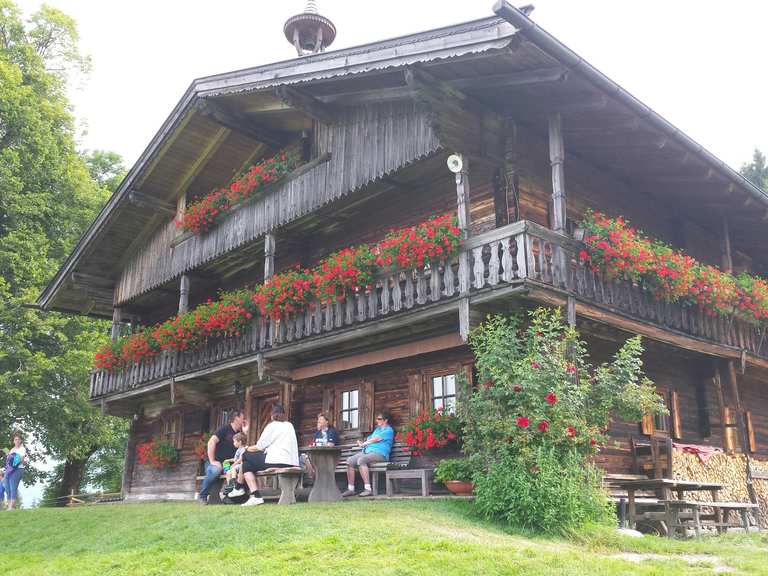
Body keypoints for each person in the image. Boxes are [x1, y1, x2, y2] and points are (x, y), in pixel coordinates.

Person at [234, 404, 299, 507]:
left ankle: (240, 488)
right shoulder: (289, 425)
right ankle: (252, 494)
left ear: (272, 415)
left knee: (245, 455)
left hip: (276, 461)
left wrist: (246, 448)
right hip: (291, 462)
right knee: (247, 465)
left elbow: (260, 446)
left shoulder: (272, 425)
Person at [198, 409, 246, 505]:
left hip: (227, 464)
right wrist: (212, 460)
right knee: (216, 470)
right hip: (215, 462)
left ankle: (230, 498)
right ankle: (202, 496)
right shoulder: (224, 429)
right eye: (242, 418)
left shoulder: (239, 434)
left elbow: (243, 448)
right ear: (236, 418)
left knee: (238, 471)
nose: (244, 420)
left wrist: (245, 432)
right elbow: (211, 442)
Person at [343, 411, 394, 497]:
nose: (377, 421)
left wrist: (364, 443)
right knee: (349, 461)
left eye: (379, 419)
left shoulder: (389, 430)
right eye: (377, 419)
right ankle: (351, 489)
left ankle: (368, 489)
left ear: (385, 421)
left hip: (380, 454)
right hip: (367, 452)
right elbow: (369, 439)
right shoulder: (377, 430)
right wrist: (361, 443)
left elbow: (376, 439)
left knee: (361, 460)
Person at [302, 412, 340, 479]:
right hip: (318, 456)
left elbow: (330, 445)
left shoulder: (332, 431)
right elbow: (313, 444)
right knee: (303, 457)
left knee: (309, 459)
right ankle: (313, 476)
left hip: (330, 457)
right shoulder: (317, 433)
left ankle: (315, 477)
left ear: (327, 421)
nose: (319, 421)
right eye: (318, 420)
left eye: (321, 419)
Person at [219, 432, 247, 500]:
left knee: (233, 469)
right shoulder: (238, 450)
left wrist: (234, 464)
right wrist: (228, 460)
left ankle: (235, 483)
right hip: (236, 465)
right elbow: (235, 459)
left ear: (239, 442)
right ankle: (230, 485)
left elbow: (241, 459)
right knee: (228, 472)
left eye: (234, 441)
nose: (233, 443)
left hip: (241, 465)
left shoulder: (243, 449)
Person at [4, 432, 27, 511]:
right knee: (6, 486)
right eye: (15, 439)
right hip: (9, 470)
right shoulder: (12, 450)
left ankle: (11, 506)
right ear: (13, 441)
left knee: (13, 486)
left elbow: (22, 460)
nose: (16, 441)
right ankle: (10, 504)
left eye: (18, 439)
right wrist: (9, 458)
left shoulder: (22, 449)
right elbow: (8, 460)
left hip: (18, 469)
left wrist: (14, 462)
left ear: (20, 441)